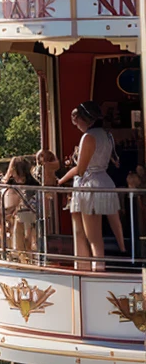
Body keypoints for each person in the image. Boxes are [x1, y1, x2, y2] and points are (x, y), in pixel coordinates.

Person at [58, 102, 126, 270]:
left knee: (93, 236)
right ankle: (87, 265)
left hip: (89, 185)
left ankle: (97, 270)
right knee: (88, 232)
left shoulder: (88, 137)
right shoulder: (107, 135)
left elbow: (80, 170)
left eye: (77, 122)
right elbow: (114, 161)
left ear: (85, 119)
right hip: (104, 181)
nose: (76, 126)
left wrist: (60, 180)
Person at [2, 157, 39, 253]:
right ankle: (26, 257)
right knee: (25, 239)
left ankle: (25, 257)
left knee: (23, 239)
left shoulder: (13, 183)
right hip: (24, 213)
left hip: (26, 213)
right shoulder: (33, 182)